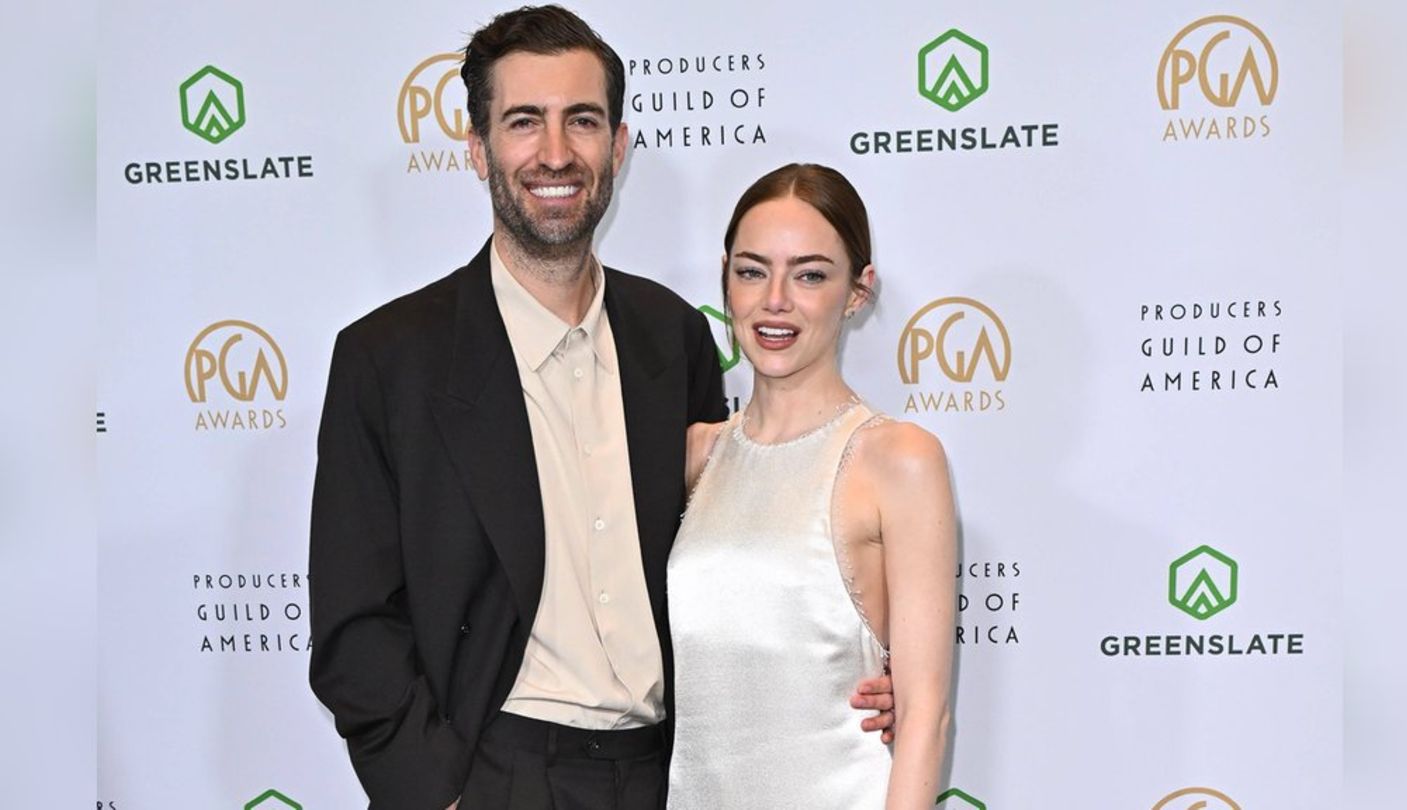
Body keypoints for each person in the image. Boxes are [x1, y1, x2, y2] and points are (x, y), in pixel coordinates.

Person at [308, 8, 894, 809]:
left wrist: (852, 676)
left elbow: (729, 557)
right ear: (478, 148)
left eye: (582, 121)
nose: (556, 153)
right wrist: (433, 795)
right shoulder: (389, 359)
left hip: (675, 775)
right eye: (524, 122)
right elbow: (355, 626)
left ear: (617, 147)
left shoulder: (673, 337)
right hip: (492, 773)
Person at [666, 164, 957, 809]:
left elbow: (925, 715)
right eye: (752, 270)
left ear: (858, 290)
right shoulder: (695, 455)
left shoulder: (898, 459)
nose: (776, 299)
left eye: (810, 274)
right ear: (726, 279)